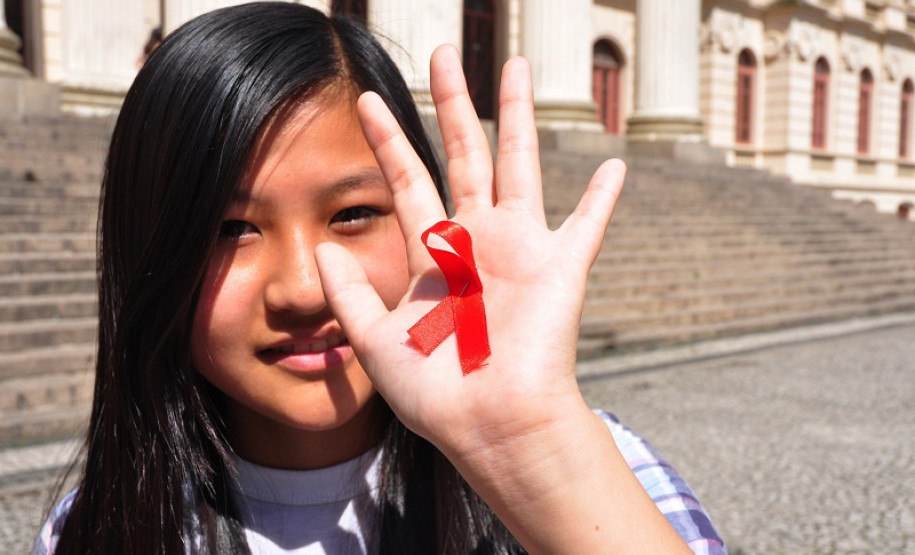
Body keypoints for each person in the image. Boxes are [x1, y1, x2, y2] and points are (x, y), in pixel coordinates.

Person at [33, 3, 726, 553]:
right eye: (229, 228)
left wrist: (526, 443)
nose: (305, 289)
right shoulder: (99, 527)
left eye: (355, 213)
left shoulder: (594, 465)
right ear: (151, 250)